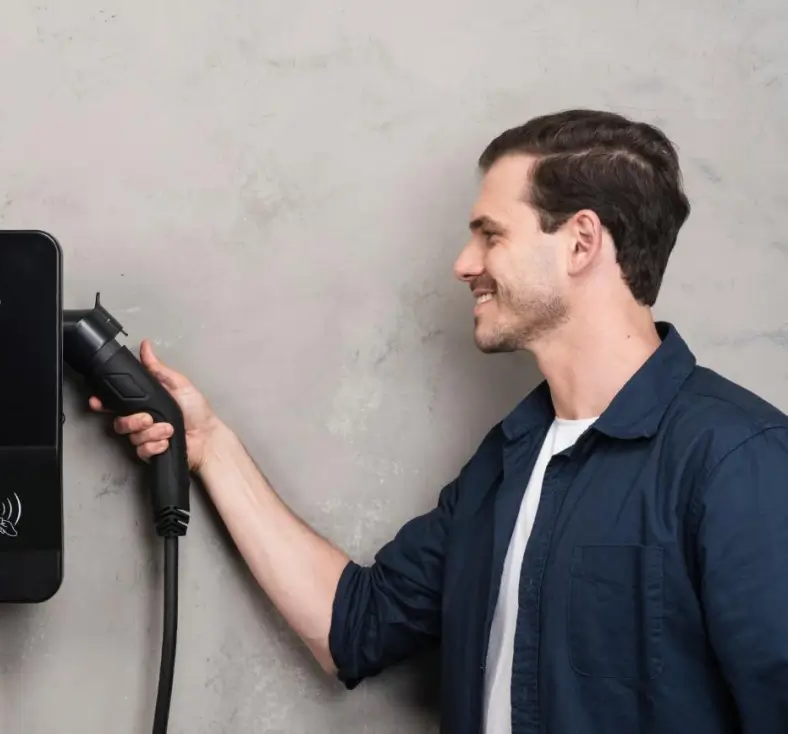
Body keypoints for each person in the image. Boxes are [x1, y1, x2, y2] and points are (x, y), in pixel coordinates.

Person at [89, 109, 788, 734]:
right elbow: (353, 628)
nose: (463, 264)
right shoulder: (510, 459)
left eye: (490, 234)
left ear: (580, 242)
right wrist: (210, 444)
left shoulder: (738, 461)